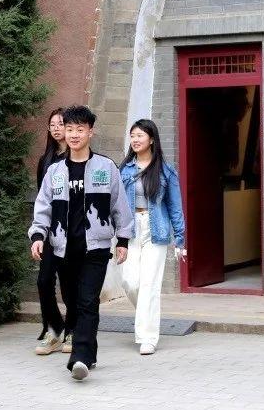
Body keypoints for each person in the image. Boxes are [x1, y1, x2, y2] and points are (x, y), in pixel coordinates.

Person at [28, 105, 133, 381]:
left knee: (88, 301)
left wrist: (123, 240)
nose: (74, 135)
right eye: (70, 129)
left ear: (90, 132)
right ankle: (90, 353)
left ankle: (81, 357)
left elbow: (119, 206)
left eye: (80, 129)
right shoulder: (55, 171)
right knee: (73, 300)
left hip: (96, 248)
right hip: (63, 248)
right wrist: (38, 235)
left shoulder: (106, 168)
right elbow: (43, 207)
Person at [118, 119, 186, 355]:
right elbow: (116, 204)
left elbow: (175, 207)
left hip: (156, 229)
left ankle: (148, 337)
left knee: (149, 285)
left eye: (140, 135)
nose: (135, 140)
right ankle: (145, 315)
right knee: (130, 282)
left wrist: (180, 239)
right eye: (132, 136)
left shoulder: (166, 171)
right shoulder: (124, 169)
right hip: (130, 229)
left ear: (152, 139)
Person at [33, 108, 74, 355]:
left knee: (69, 282)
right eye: (53, 125)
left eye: (61, 124)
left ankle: (72, 330)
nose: (57, 128)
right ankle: (54, 328)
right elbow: (42, 198)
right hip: (50, 229)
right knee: (44, 280)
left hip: (72, 231)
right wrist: (39, 232)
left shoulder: (77, 157)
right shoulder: (46, 160)